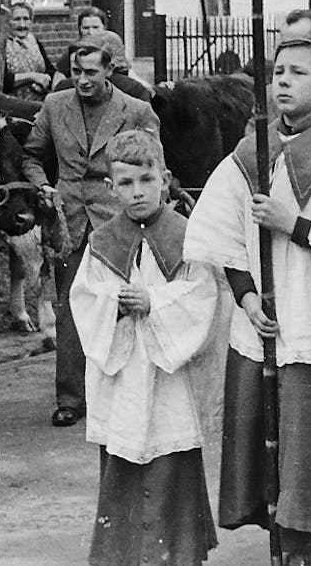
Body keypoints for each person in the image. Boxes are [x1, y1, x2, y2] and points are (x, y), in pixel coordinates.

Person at [183, 36, 311, 566]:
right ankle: (283, 542)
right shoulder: (250, 151)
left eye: (298, 73)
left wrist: (292, 224)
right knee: (269, 445)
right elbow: (218, 229)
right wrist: (247, 296)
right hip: (267, 324)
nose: (282, 82)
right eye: (278, 71)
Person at [69, 130, 220, 566]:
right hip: (124, 371)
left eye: (146, 180)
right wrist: (112, 308)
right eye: (126, 184)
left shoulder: (187, 237)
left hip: (168, 370)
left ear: (166, 179)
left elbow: (202, 296)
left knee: (171, 453)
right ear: (111, 188)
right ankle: (123, 553)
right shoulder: (102, 241)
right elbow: (84, 297)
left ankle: (178, 551)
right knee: (123, 453)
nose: (137, 193)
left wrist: (155, 301)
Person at [22, 38, 161, 428]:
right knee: (71, 307)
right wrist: (42, 186)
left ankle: (128, 390)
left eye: (90, 72)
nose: (81, 80)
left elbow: (154, 166)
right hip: (70, 221)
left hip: (119, 220)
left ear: (110, 71)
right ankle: (70, 397)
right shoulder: (54, 105)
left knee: (124, 305)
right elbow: (31, 155)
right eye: (76, 72)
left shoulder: (136, 111)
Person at [2, 0, 61, 101]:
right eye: (16, 19)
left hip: (38, 103)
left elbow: (50, 70)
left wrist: (55, 81)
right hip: (11, 105)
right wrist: (32, 76)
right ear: (7, 22)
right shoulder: (1, 45)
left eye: (26, 19)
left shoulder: (33, 41)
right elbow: (3, 81)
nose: (22, 25)